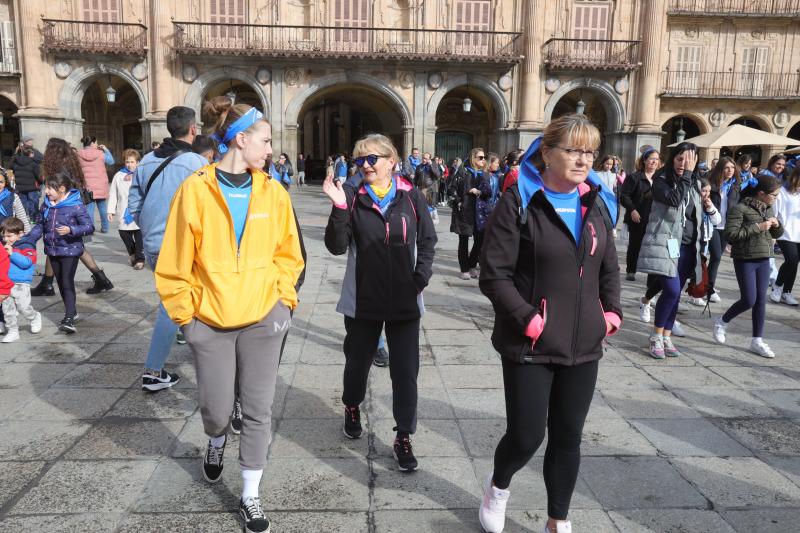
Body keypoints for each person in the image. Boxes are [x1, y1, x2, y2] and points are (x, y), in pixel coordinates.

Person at [156, 96, 304, 533]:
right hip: (211, 323)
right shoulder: (195, 190)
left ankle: (250, 493)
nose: (271, 149)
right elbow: (174, 263)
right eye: (265, 140)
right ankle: (216, 440)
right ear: (240, 139)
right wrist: (188, 321)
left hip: (263, 320)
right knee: (218, 411)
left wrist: (283, 306)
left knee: (259, 410)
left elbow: (288, 256)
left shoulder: (273, 191)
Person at [477, 113, 622, 533]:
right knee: (526, 436)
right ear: (546, 152)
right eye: (573, 150)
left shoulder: (594, 201)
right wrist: (527, 318)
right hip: (531, 344)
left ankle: (558, 518)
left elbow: (608, 267)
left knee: (568, 437)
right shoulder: (520, 201)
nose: (583, 160)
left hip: (584, 343)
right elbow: (495, 274)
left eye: (590, 151)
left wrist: (610, 312)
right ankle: (498, 485)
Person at [323, 133, 436, 472]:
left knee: (405, 372)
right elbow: (336, 246)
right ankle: (352, 405)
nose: (366, 165)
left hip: (405, 300)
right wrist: (339, 207)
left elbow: (428, 240)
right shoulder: (352, 197)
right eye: (360, 160)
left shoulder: (411, 196)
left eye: (373, 158)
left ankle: (403, 435)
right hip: (363, 299)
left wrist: (420, 279)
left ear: (392, 161)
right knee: (357, 364)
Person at [128, 106, 208, 392]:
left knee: (175, 301)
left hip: (152, 243)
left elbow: (134, 206)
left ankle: (190, 343)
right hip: (181, 245)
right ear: (193, 128)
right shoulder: (197, 163)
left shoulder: (147, 161)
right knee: (170, 306)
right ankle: (153, 370)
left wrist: (151, 228)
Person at [637, 142, 710, 359]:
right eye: (680, 159)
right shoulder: (661, 180)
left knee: (676, 293)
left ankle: (667, 335)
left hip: (688, 246)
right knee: (670, 289)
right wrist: (687, 174)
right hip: (667, 243)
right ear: (673, 159)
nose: (684, 164)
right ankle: (656, 335)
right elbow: (675, 200)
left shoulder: (695, 183)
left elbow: (696, 218)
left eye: (689, 160)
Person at [29, 138, 114, 297]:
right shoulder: (71, 164)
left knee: (62, 245)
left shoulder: (58, 168)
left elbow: (57, 191)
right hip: (72, 207)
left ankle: (48, 284)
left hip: (63, 209)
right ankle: (100, 279)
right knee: (71, 246)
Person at [714, 175, 784, 358]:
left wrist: (777, 225)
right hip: (745, 258)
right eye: (774, 195)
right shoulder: (740, 209)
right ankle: (722, 321)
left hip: (764, 257)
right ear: (761, 193)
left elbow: (778, 232)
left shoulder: (768, 210)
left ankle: (757, 340)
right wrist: (758, 227)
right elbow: (731, 234)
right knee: (749, 299)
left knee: (761, 301)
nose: (776, 198)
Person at [28, 171, 94, 333]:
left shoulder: (76, 206)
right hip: (52, 250)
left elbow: (89, 227)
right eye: (46, 188)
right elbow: (40, 225)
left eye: (50, 188)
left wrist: (71, 229)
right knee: (61, 283)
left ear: (62, 189)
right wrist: (28, 240)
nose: (46, 192)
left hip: (70, 251)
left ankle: (69, 318)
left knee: (66, 281)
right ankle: (72, 312)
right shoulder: (46, 205)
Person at [620, 148, 661, 281]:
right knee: (635, 244)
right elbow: (624, 196)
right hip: (637, 217)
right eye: (651, 159)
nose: (654, 162)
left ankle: (651, 273)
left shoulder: (660, 178)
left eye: (656, 159)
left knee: (653, 247)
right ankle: (631, 270)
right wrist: (632, 210)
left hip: (655, 218)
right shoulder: (635, 177)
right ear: (644, 161)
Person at [706, 156, 741, 303]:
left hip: (726, 227)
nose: (730, 171)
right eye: (727, 168)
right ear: (720, 169)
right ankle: (709, 289)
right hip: (711, 225)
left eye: (732, 168)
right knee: (716, 256)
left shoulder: (735, 186)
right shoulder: (711, 184)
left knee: (715, 259)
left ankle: (707, 284)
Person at [0, 217, 41, 342]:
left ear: (20, 234)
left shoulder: (27, 245)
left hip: (21, 283)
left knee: (23, 307)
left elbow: (27, 263)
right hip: (6, 283)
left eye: (9, 236)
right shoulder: (3, 245)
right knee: (8, 310)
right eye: (4, 236)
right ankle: (13, 331)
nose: (6, 239)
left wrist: (12, 254)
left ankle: (34, 317)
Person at [450, 148, 486, 280]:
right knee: (464, 240)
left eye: (484, 157)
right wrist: (459, 201)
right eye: (480, 157)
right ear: (473, 158)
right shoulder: (463, 171)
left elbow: (488, 192)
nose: (483, 160)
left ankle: (472, 265)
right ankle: (464, 269)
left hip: (479, 212)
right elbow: (452, 188)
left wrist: (481, 192)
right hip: (464, 211)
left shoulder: (484, 174)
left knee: (480, 240)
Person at [108, 149, 145, 270]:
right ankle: (132, 253)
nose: (130, 164)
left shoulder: (142, 174)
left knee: (139, 234)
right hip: (123, 210)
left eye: (132, 162)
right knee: (124, 233)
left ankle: (140, 259)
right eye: (127, 161)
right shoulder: (119, 176)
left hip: (139, 210)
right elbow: (113, 193)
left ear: (138, 162)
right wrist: (110, 210)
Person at [771, 166, 800, 306]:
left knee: (795, 263)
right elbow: (775, 212)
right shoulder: (783, 191)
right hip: (786, 232)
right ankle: (777, 286)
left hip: (799, 233)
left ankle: (786, 292)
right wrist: (773, 232)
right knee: (792, 259)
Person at [77, 136, 115, 234]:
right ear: (92, 143)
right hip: (101, 184)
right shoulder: (100, 153)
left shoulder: (79, 153)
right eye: (96, 142)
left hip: (87, 185)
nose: (97, 144)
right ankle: (105, 228)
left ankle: (90, 229)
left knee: (89, 207)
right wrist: (105, 149)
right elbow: (111, 161)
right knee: (102, 207)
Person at [8, 147, 41, 221]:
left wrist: (15, 154)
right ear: (30, 154)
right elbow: (38, 176)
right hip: (32, 187)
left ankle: (24, 219)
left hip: (20, 188)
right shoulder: (33, 163)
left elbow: (9, 166)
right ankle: (33, 219)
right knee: (33, 203)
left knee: (23, 204)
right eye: (32, 153)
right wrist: (40, 182)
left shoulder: (16, 163)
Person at [475, 153, 502, 237]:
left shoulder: (495, 176)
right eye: (496, 163)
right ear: (490, 163)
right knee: (480, 241)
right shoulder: (482, 175)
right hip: (482, 211)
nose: (498, 165)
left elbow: (496, 194)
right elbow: (487, 192)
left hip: (492, 211)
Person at [414, 152, 441, 224]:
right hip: (421, 189)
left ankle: (432, 221)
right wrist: (414, 188)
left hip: (431, 189)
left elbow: (437, 175)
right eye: (423, 158)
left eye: (426, 158)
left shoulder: (433, 165)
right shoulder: (419, 167)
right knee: (422, 207)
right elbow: (416, 179)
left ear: (429, 159)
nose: (424, 160)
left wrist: (431, 165)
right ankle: (424, 222)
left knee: (431, 207)